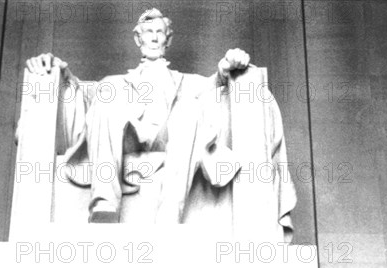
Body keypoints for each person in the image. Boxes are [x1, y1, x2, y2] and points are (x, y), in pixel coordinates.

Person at [22, 9, 296, 236]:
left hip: (173, 133)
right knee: (106, 98)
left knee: (190, 109)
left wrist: (226, 69)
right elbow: (79, 99)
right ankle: (104, 201)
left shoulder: (187, 82)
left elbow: (214, 89)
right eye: (148, 33)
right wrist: (61, 72)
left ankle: (170, 212)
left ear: (168, 39)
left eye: (159, 32)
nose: (154, 38)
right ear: (137, 39)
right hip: (127, 135)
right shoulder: (113, 84)